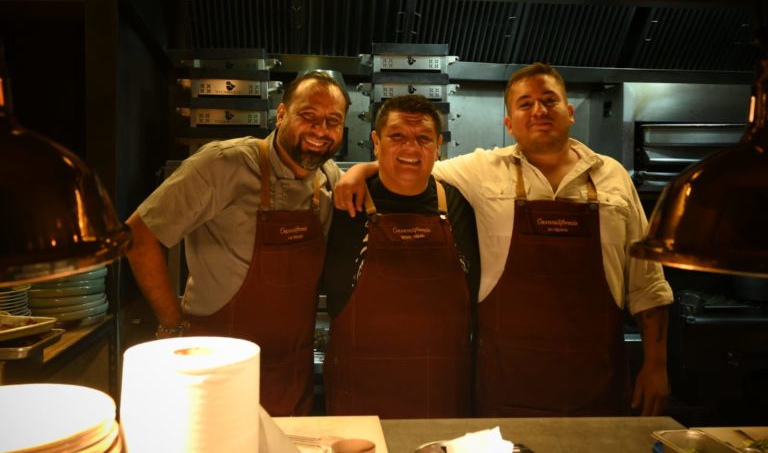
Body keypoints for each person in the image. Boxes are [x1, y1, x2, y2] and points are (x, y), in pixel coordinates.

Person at [334, 63, 673, 417]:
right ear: (508, 123)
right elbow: (409, 164)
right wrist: (361, 169)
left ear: (569, 112)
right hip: (505, 386)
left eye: (549, 100)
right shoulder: (483, 170)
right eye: (525, 104)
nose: (539, 111)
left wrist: (656, 366)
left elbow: (647, 283)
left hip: (596, 384)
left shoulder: (613, 177)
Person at [124, 71, 351, 417]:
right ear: (281, 114)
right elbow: (139, 235)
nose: (320, 131)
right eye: (308, 116)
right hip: (217, 367)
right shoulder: (223, 164)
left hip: (289, 374)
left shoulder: (329, 178)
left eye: (332, 121)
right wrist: (171, 324)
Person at [320, 94, 480, 418]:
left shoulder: (460, 203)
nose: (410, 148)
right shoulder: (345, 202)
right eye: (397, 137)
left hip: (443, 393)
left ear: (438, 145)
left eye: (422, 139)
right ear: (376, 142)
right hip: (359, 395)